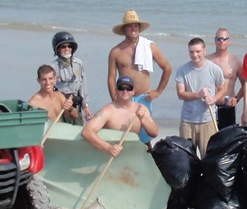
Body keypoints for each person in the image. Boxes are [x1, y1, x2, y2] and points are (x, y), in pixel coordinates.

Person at [107, 10, 172, 147]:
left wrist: (158, 91)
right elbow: (111, 78)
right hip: (124, 97)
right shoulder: (116, 52)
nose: (133, 29)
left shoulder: (149, 46)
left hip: (144, 98)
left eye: (136, 26)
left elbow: (167, 68)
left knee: (145, 137)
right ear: (124, 29)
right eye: (130, 26)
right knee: (124, 134)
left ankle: (148, 160)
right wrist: (114, 97)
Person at [81, 76, 158, 157]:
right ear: (116, 90)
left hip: (133, 155)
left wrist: (142, 118)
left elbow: (154, 133)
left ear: (133, 91)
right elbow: (87, 132)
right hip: (111, 158)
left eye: (129, 88)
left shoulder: (141, 109)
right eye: (121, 88)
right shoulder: (107, 111)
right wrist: (109, 148)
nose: (125, 91)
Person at [174, 38, 226, 157]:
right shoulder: (182, 70)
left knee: (208, 157)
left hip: (208, 121)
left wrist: (213, 99)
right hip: (187, 121)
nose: (195, 55)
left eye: (198, 51)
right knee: (186, 158)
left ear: (205, 51)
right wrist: (198, 95)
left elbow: (222, 89)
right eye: (191, 52)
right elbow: (180, 94)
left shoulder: (214, 69)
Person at [207, 28, 245, 129]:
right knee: (210, 140)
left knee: (227, 140)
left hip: (227, 106)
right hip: (209, 106)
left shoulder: (235, 61)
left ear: (229, 41)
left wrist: (236, 99)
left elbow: (245, 84)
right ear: (215, 40)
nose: (221, 41)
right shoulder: (206, 61)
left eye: (224, 39)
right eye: (219, 38)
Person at [50, 31, 92, 124]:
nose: (67, 49)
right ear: (57, 49)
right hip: (62, 105)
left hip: (76, 105)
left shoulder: (79, 64)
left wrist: (86, 106)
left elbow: (83, 87)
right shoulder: (53, 67)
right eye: (63, 47)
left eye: (69, 46)